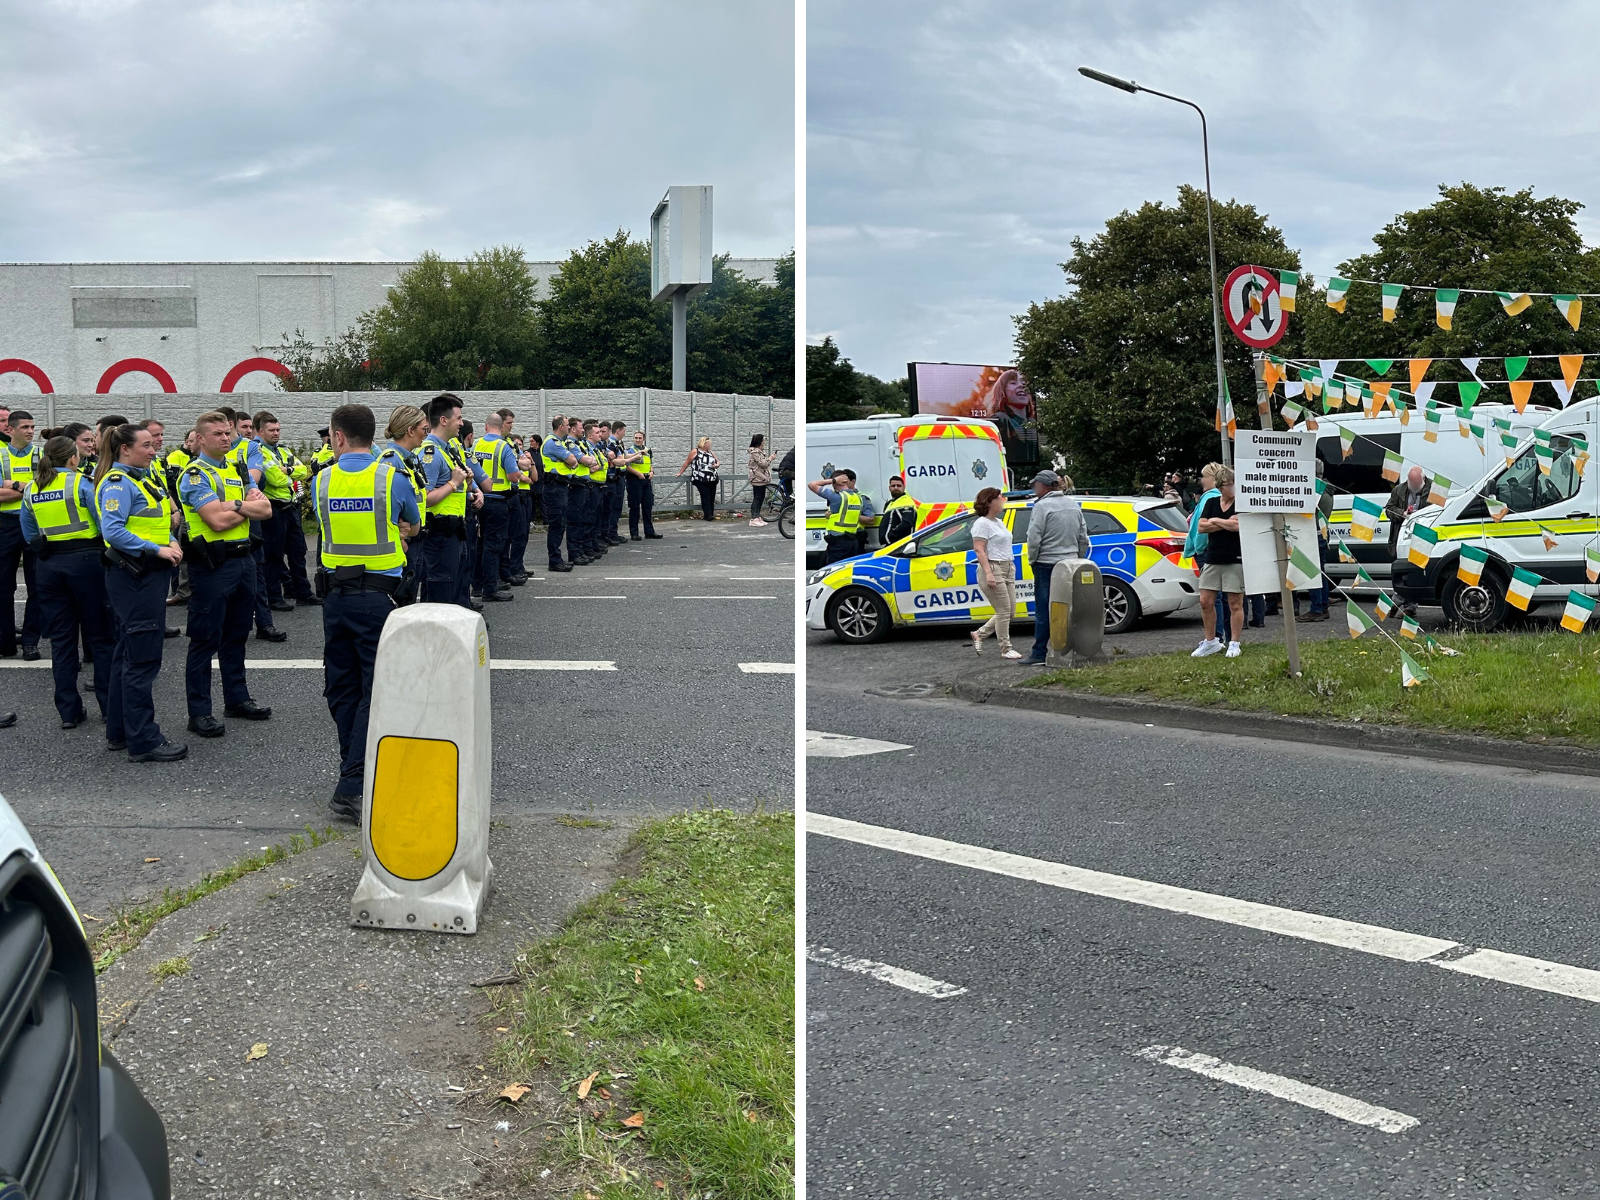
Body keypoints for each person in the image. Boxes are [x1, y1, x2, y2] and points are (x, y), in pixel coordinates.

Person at [312, 402, 420, 822]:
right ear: (372, 434)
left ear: (338, 437)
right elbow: (412, 521)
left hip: (335, 598)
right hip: (378, 600)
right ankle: (354, 782)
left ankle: (352, 771)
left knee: (342, 689)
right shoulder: (390, 477)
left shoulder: (322, 481)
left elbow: (326, 528)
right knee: (375, 692)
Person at [178, 410, 275, 738]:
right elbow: (214, 522)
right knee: (205, 640)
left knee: (236, 637)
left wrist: (231, 505)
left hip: (244, 561)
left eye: (227, 432)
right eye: (217, 433)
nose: (225, 437)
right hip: (212, 567)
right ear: (200, 439)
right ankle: (199, 712)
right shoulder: (195, 474)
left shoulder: (236, 468)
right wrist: (240, 508)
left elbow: (266, 509)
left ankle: (237, 698)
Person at [95, 422, 186, 761]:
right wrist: (157, 550)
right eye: (147, 445)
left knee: (127, 654)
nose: (153, 450)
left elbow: (159, 521)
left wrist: (171, 542)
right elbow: (113, 530)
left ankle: (120, 731)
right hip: (136, 577)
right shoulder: (118, 483)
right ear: (125, 449)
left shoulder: (142, 479)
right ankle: (144, 740)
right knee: (142, 658)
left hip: (146, 575)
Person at [21, 436, 113, 727]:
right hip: (87, 562)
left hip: (49, 565)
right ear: (73, 458)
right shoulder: (81, 483)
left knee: (61, 641)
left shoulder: (32, 487)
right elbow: (102, 523)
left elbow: (29, 533)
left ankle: (69, 713)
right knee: (99, 637)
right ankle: (109, 707)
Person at [1020, 469, 1090, 666]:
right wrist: (1077, 558)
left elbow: (1034, 537)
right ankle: (1074, 649)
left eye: (1035, 485)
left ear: (1043, 486)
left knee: (1044, 610)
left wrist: (1033, 559)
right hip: (1069, 565)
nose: (1034, 488)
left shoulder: (1041, 507)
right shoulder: (1073, 504)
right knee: (1070, 608)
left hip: (1046, 563)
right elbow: (1083, 537)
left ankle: (1039, 653)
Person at [253, 410, 317, 613]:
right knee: (273, 555)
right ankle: (274, 597)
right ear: (261, 431)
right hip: (274, 509)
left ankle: (303, 594)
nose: (276, 433)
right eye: (271, 430)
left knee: (299, 553)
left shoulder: (283, 450)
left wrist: (287, 470)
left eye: (278, 429)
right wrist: (291, 474)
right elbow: (275, 480)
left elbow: (303, 470)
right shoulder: (260, 451)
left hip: (291, 508)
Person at [418, 394, 477, 603]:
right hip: (440, 532)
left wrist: (466, 484)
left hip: (454, 530)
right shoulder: (430, 453)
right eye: (458, 418)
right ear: (444, 420)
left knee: (453, 588)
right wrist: (453, 484)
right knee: (440, 593)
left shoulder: (447, 450)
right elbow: (423, 498)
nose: (461, 423)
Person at [470, 410, 525, 602]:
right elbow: (512, 475)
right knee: (493, 546)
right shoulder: (503, 447)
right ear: (501, 427)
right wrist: (519, 470)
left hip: (478, 498)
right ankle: (490, 588)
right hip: (497, 500)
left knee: (479, 544)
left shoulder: (476, 444)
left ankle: (476, 586)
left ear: (485, 427)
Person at [0, 408, 41, 659]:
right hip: (5, 524)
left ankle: (30, 641)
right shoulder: (1, 454)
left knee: (37, 587)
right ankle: (5, 642)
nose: (30, 431)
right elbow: (36, 489)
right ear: (11, 429)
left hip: (35, 524)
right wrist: (26, 487)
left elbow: (45, 490)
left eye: (32, 427)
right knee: (3, 586)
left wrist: (10, 485)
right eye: (25, 427)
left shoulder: (42, 454)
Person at [1193, 465, 1245, 659]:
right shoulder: (1212, 502)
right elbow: (1201, 527)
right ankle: (1211, 641)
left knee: (1234, 602)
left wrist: (1215, 522)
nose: (1232, 489)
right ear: (1220, 486)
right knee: (1205, 601)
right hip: (1213, 557)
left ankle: (1234, 642)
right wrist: (1223, 521)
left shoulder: (1241, 502)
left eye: (1234, 484)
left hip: (1235, 557)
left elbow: (1238, 525)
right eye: (1228, 485)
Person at [378, 405, 431, 593]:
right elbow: (383, 506)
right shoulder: (391, 460)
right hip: (404, 542)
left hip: (414, 538)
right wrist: (399, 539)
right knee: (403, 600)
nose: (426, 434)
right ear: (410, 430)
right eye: (424, 429)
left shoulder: (407, 458)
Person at [969, 487, 1021, 659]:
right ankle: (1005, 648)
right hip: (993, 568)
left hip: (1007, 567)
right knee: (1004, 610)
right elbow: (979, 549)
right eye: (1000, 497)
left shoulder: (998, 522)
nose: (1003, 500)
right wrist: (989, 573)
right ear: (990, 501)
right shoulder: (981, 524)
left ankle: (980, 634)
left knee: (1010, 610)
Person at [1183, 463, 1231, 645]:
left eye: (1204, 476)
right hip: (1213, 550)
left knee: (1212, 597)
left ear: (1212, 477)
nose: (1201, 480)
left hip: (1207, 551)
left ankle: (1215, 637)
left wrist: (1198, 548)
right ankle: (1223, 636)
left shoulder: (1210, 498)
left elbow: (1200, 528)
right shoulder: (1215, 497)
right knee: (1223, 596)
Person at [539, 414, 579, 570]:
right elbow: (573, 461)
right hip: (554, 487)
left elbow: (573, 462)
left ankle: (557, 559)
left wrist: (568, 462)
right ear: (561, 426)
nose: (569, 427)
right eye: (567, 424)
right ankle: (554, 561)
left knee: (560, 524)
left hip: (560, 487)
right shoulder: (553, 443)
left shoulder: (559, 443)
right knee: (556, 525)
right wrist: (567, 462)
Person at [809, 469, 869, 563]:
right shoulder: (858, 497)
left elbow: (812, 485)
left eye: (834, 480)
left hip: (839, 543)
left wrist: (831, 480)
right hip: (853, 542)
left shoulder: (837, 497)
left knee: (832, 571)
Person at [626, 428, 661, 541]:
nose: (637, 440)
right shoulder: (630, 451)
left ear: (643, 439)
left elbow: (650, 463)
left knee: (647, 506)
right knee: (635, 507)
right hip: (635, 480)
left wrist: (651, 472)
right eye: (636, 438)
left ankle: (649, 531)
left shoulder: (648, 450)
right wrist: (638, 474)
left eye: (640, 438)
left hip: (646, 480)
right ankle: (634, 533)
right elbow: (627, 466)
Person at [679, 437, 721, 521]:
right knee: (705, 495)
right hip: (700, 478)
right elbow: (687, 462)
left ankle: (710, 514)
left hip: (712, 478)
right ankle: (708, 514)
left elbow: (718, 462)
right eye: (708, 443)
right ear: (703, 443)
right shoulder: (695, 451)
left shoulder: (711, 452)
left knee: (711, 496)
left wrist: (716, 465)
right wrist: (680, 472)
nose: (710, 445)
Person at [603, 421, 631, 545]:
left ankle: (613, 532)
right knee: (613, 507)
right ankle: (611, 532)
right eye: (624, 431)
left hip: (619, 477)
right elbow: (619, 460)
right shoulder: (612, 444)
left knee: (617, 506)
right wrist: (634, 458)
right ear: (618, 430)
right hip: (615, 476)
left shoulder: (617, 443)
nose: (624, 433)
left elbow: (624, 455)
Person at [879, 475, 918, 545]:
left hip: (900, 545)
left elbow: (907, 523)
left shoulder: (906, 501)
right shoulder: (890, 503)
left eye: (899, 486)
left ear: (904, 487)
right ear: (889, 488)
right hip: (892, 544)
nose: (896, 488)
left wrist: (890, 536)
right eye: (893, 486)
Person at [747, 434, 776, 527]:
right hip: (757, 478)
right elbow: (763, 464)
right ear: (759, 442)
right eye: (763, 440)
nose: (764, 442)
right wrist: (770, 458)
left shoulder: (759, 452)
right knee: (758, 498)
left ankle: (757, 516)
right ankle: (753, 518)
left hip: (761, 478)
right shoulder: (755, 452)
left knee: (761, 497)